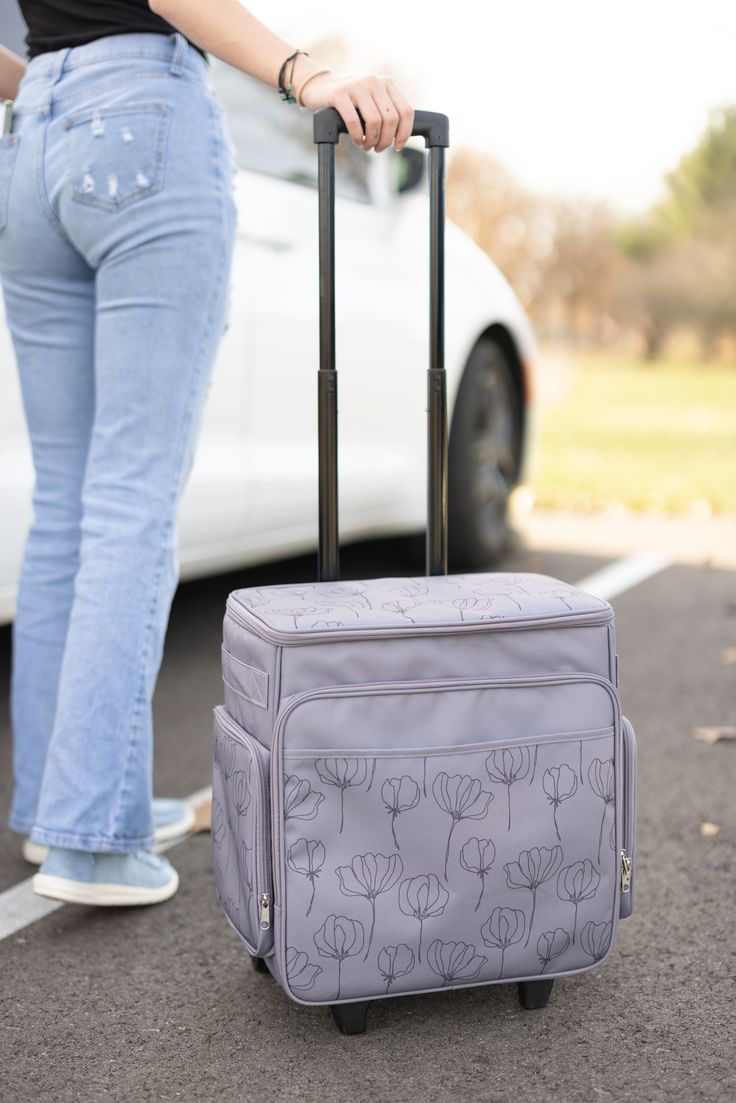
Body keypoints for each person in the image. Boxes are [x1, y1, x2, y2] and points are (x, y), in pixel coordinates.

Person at [0, 1, 414, 907]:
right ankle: (93, 841)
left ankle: (59, 804)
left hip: (30, 136)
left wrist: (50, 97)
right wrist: (308, 73)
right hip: (142, 113)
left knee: (69, 503)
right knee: (129, 495)